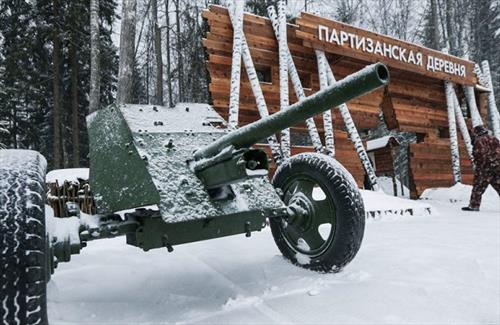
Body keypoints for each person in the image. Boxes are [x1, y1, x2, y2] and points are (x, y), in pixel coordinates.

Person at [462, 125, 500, 211]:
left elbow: (480, 155)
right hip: (498, 167)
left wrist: (479, 166)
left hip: (485, 168)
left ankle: (474, 206)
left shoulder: (479, 141)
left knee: (478, 186)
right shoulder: (494, 139)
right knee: (498, 185)